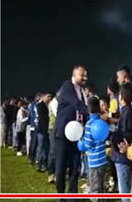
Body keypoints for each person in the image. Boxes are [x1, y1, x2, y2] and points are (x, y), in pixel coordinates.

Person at [54, 65, 89, 198]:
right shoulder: (67, 87)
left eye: (86, 75)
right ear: (74, 75)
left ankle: (72, 197)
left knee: (75, 168)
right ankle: (60, 195)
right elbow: (78, 105)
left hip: (76, 136)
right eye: (82, 75)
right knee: (61, 168)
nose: (85, 78)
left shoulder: (82, 92)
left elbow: (83, 113)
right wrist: (92, 112)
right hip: (63, 135)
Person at [111, 83, 132, 202]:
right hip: (127, 156)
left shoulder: (126, 113)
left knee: (125, 191)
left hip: (122, 157)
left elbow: (125, 134)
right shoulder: (131, 111)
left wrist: (112, 136)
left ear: (120, 97)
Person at [80, 97, 108, 202]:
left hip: (94, 161)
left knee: (95, 187)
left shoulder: (89, 124)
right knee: (102, 185)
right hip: (103, 159)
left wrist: (82, 144)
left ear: (88, 109)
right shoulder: (102, 121)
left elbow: (87, 144)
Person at [36, 92, 53, 172]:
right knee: (41, 147)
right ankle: (39, 164)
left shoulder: (48, 105)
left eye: (50, 97)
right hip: (42, 129)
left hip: (46, 129)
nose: (49, 98)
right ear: (43, 96)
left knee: (46, 148)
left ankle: (44, 164)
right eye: (48, 96)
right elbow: (42, 117)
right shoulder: (40, 105)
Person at [48, 93, 59, 183]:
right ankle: (51, 173)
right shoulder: (55, 102)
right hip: (53, 129)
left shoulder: (60, 102)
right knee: (53, 151)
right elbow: (57, 115)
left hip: (59, 129)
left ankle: (57, 173)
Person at [28, 93, 41, 165]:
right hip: (34, 125)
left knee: (35, 142)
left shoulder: (34, 104)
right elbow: (33, 115)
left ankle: (33, 157)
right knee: (34, 142)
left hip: (35, 125)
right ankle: (31, 158)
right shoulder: (34, 105)